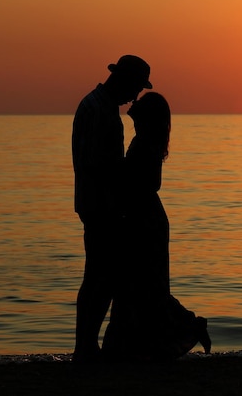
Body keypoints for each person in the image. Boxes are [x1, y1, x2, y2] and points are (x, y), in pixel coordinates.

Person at [102, 92, 211, 361]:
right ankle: (133, 347)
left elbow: (151, 183)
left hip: (144, 220)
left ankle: (190, 325)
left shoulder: (145, 142)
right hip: (145, 217)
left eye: (140, 104)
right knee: (141, 285)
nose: (133, 104)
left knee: (145, 285)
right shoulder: (146, 139)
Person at [72, 55, 152, 362]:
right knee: (100, 276)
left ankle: (87, 345)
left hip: (94, 202)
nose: (134, 98)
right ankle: (86, 346)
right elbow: (97, 163)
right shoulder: (101, 111)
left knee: (97, 274)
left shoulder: (95, 105)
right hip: (100, 204)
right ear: (125, 82)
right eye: (135, 90)